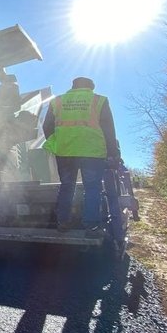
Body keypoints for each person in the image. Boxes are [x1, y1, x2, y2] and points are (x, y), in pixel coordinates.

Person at [42, 77, 120, 233]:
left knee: (66, 187)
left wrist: (56, 143)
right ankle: (90, 224)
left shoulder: (57, 101)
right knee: (92, 188)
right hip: (92, 152)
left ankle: (63, 222)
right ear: (91, 87)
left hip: (65, 152)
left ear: (73, 86)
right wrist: (113, 153)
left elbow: (47, 126)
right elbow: (108, 129)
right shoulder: (99, 100)